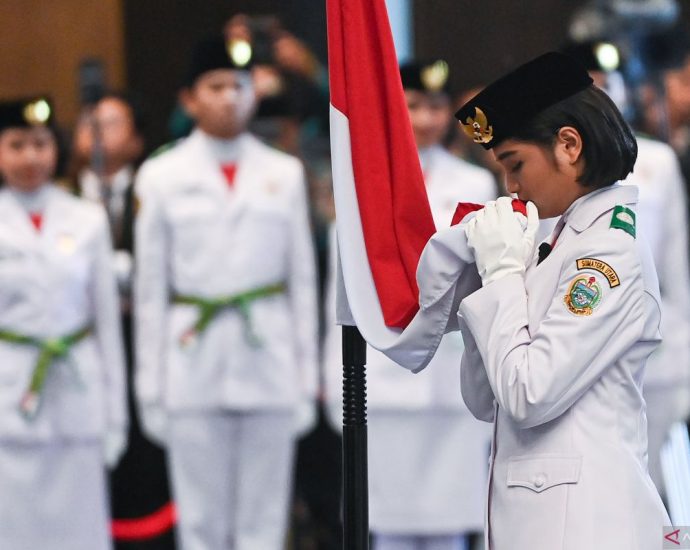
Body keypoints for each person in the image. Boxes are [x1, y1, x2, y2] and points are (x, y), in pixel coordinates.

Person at [454, 52, 669, 549]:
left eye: (516, 164)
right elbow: (486, 398)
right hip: (548, 520)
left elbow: (530, 394)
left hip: (587, 524)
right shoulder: (558, 242)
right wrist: (488, 283)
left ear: (568, 145)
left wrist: (504, 276)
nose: (510, 186)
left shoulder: (607, 252)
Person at [134, 35, 318, 550]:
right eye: (214, 86)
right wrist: (150, 388)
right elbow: (150, 293)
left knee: (264, 520)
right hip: (192, 361)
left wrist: (306, 378)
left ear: (254, 94)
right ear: (189, 99)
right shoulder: (161, 176)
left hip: (269, 358)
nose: (228, 97)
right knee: (200, 522)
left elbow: (301, 282)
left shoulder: (282, 174)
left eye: (238, 85)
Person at [325, 59, 494, 550]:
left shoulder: (476, 183)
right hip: (385, 372)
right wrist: (325, 371)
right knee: (388, 527)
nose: (425, 118)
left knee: (451, 528)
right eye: (414, 105)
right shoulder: (362, 181)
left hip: (453, 375)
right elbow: (341, 288)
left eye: (437, 106)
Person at [562, 39, 690, 499]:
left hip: (654, 359)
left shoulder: (657, 162)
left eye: (612, 83)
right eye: (593, 84)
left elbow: (677, 274)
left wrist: (684, 364)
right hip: (579, 357)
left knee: (661, 496)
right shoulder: (558, 168)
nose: (606, 92)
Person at [0, 96, 127, 549]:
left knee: (80, 529)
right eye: (16, 144)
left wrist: (117, 418)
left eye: (41, 143)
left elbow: (107, 326)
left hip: (78, 394)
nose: (31, 157)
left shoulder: (86, 218)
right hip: (10, 396)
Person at [72, 92, 177, 549]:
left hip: (145, 344)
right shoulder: (60, 201)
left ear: (136, 140)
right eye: (89, 123)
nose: (98, 133)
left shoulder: (157, 194)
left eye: (112, 122)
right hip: (83, 351)